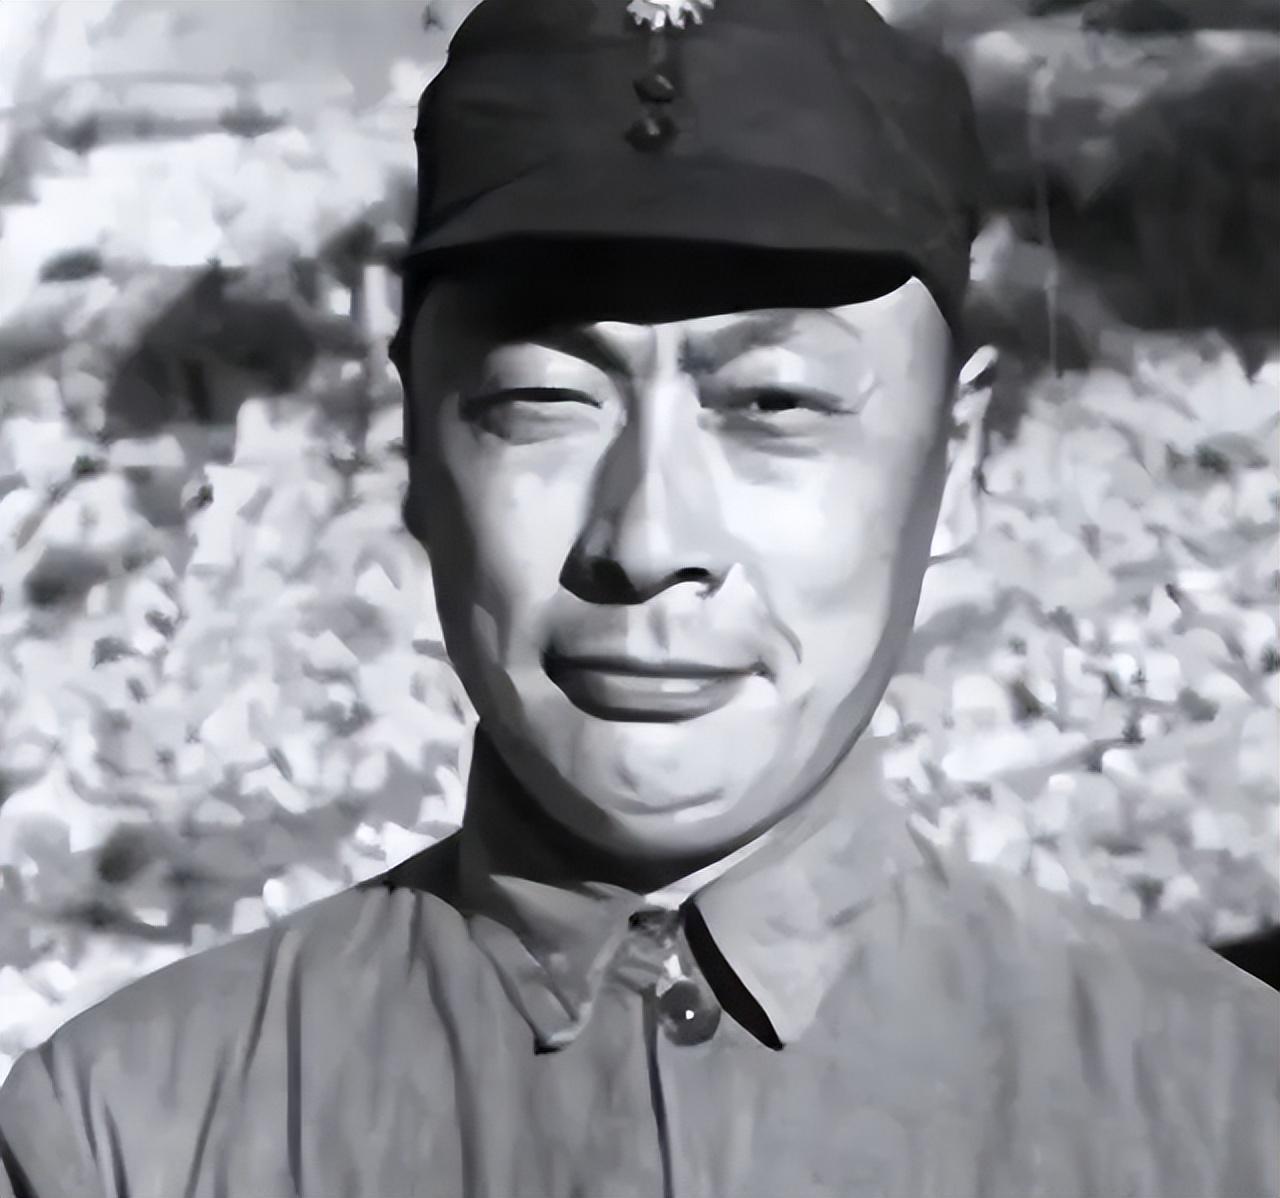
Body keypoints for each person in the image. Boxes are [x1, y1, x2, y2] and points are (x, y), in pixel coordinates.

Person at [2, 1, 1277, 1195]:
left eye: (772, 402)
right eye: (541, 401)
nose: (647, 538)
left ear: (953, 463)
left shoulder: (1230, 1111)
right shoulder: (124, 1141)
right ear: (415, 448)